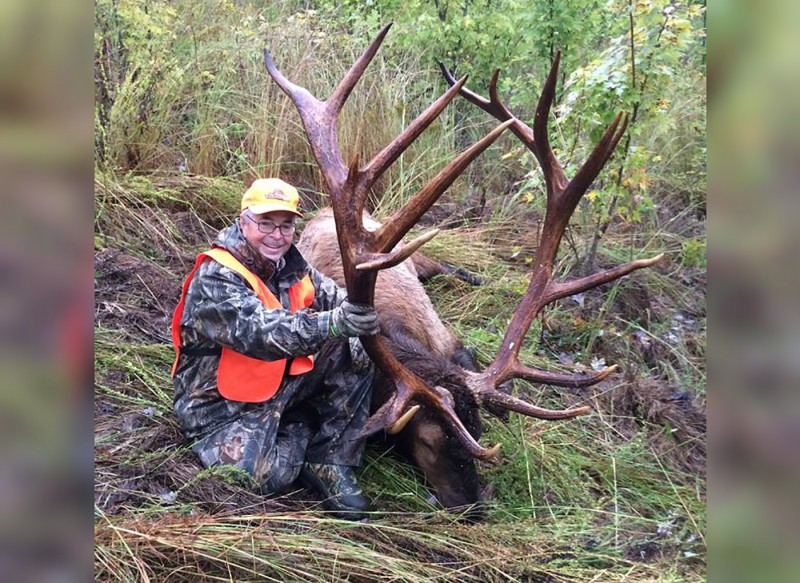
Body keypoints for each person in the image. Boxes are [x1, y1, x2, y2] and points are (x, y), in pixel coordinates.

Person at [171, 178, 381, 520]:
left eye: (285, 226)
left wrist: (360, 321)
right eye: (265, 223)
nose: (276, 235)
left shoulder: (293, 267)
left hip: (278, 383)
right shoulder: (216, 275)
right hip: (220, 406)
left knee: (356, 350)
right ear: (243, 222)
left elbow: (337, 298)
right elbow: (259, 332)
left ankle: (329, 460)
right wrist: (334, 323)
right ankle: (306, 424)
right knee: (254, 478)